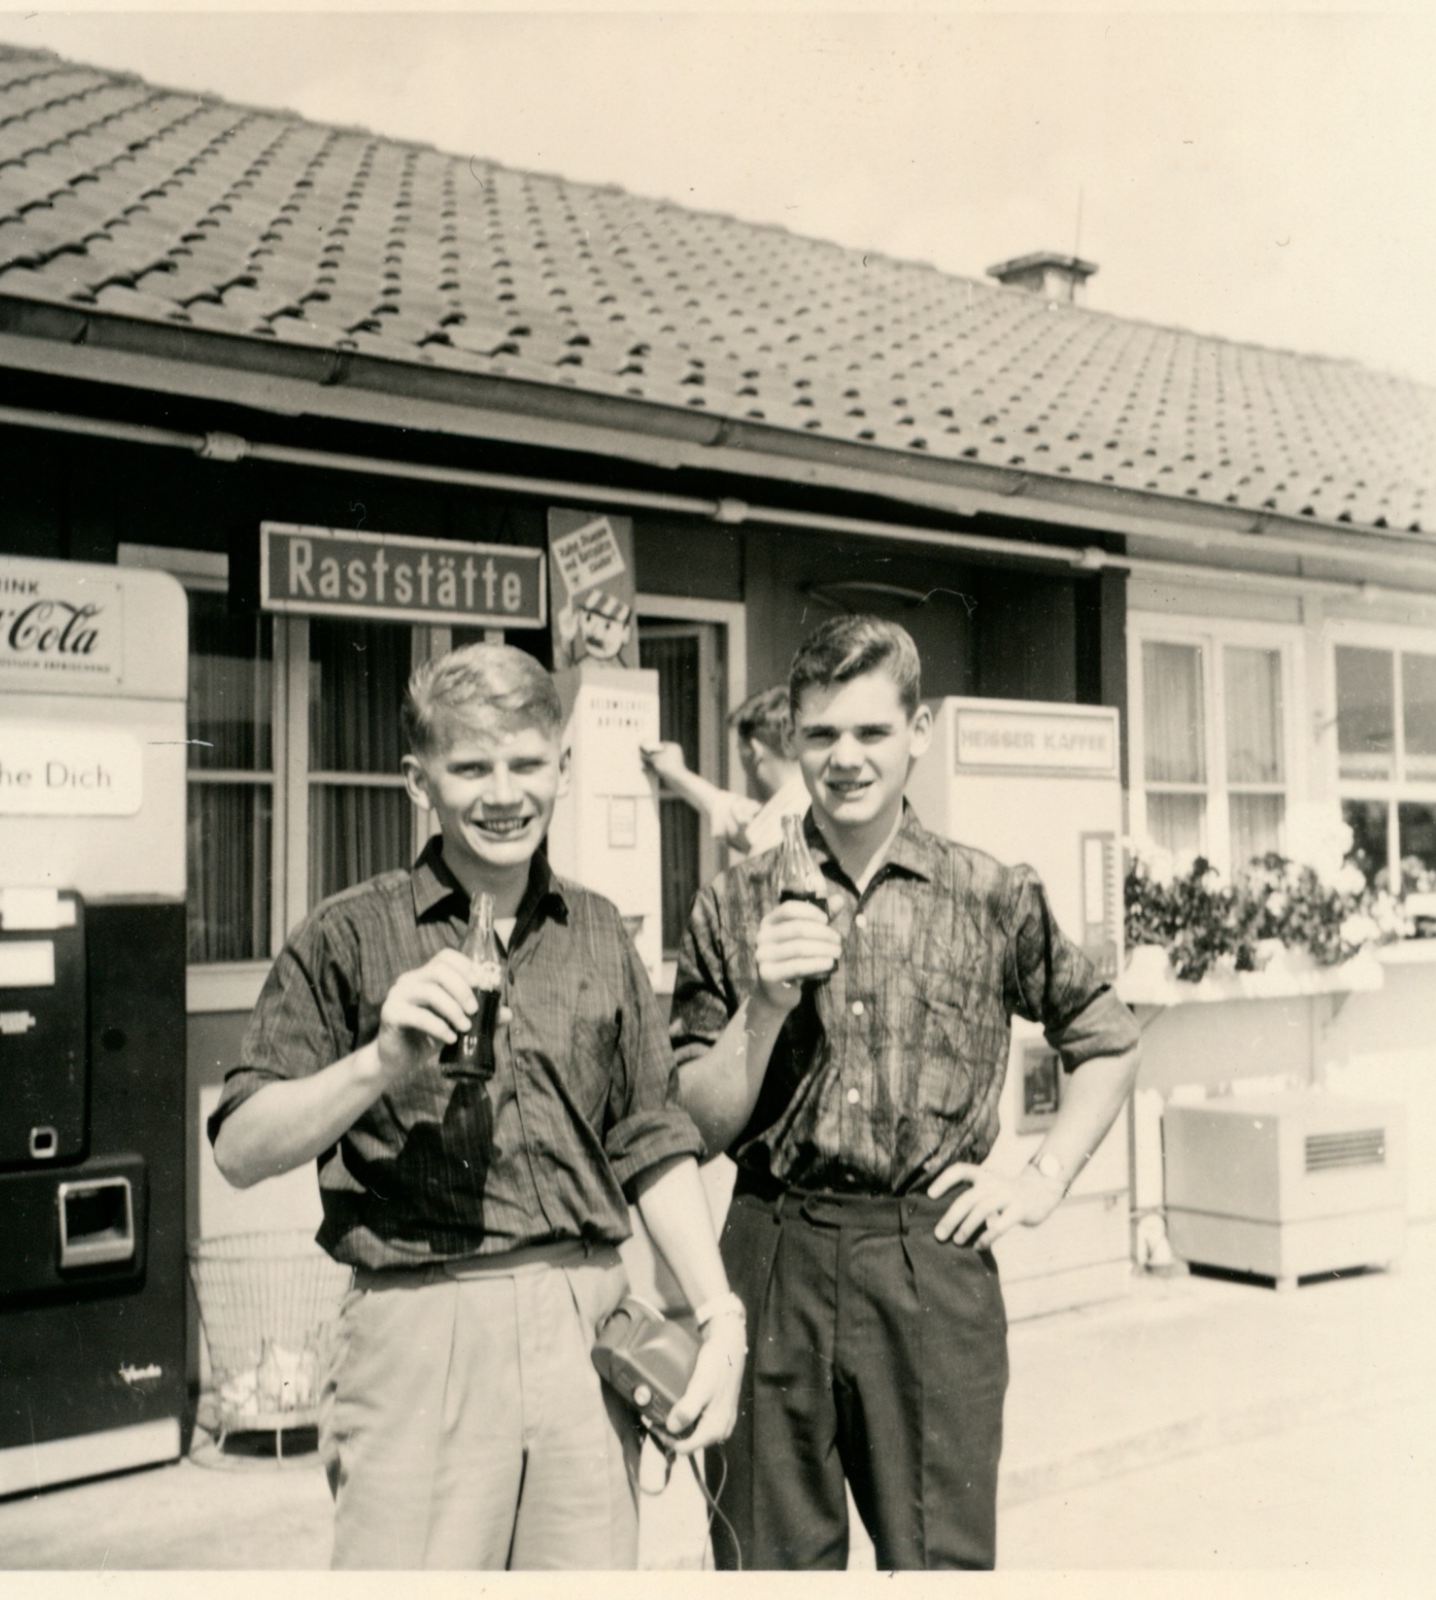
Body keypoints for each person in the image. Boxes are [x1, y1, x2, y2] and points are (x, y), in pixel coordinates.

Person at [208, 641, 744, 1571]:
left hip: (587, 1323)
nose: (505, 793)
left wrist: (718, 1314)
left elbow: (654, 1143)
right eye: (471, 768)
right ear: (420, 782)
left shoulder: (602, 932)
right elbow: (241, 1149)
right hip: (420, 1323)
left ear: (563, 768)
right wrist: (377, 1062)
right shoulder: (347, 932)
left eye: (528, 763)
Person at [669, 614, 1141, 1571]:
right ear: (792, 739)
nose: (846, 759)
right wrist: (761, 1008)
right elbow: (693, 1123)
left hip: (929, 1258)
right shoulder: (733, 902)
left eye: (872, 732)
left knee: (941, 1563)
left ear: (918, 731)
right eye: (821, 735)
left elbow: (1108, 1038)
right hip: (772, 1247)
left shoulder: (990, 892)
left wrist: (1041, 1180)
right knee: (766, 1562)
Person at [642, 684, 810, 857]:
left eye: (739, 748)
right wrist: (677, 772)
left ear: (754, 749)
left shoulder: (783, 829)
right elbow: (733, 812)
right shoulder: (804, 803)